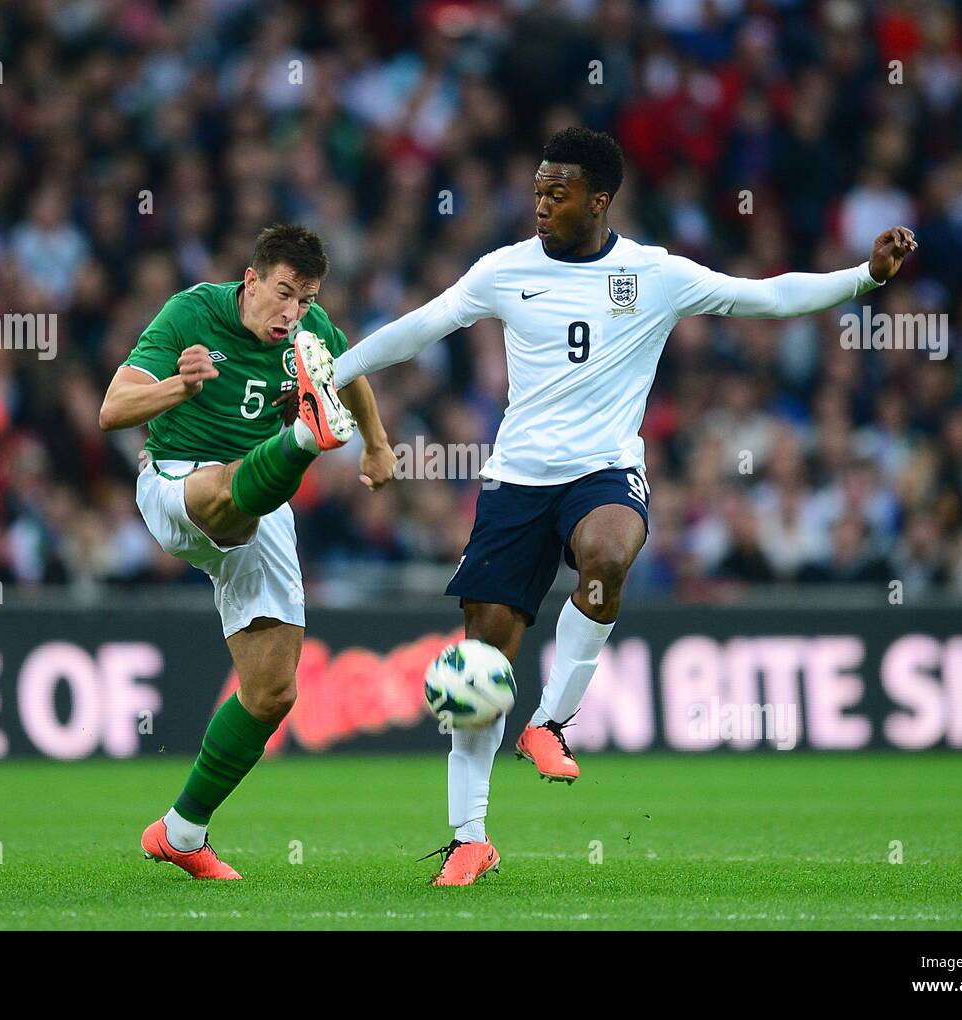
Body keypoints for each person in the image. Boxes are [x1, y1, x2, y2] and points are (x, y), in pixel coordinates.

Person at [333, 127, 917, 886]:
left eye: (557, 192)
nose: (540, 204)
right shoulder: (504, 270)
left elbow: (766, 298)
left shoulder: (655, 274)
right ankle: (470, 838)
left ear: (599, 200)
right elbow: (417, 330)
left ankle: (548, 722)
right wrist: (330, 376)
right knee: (480, 665)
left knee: (609, 552)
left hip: (604, 469)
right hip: (515, 482)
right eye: (537, 190)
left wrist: (863, 279)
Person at [100, 224, 396, 880]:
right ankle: (303, 439)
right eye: (283, 294)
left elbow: (351, 376)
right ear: (252, 280)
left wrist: (375, 443)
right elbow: (112, 408)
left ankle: (180, 832)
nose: (291, 313)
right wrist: (178, 387)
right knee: (230, 496)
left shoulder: (312, 331)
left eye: (306, 299)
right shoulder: (191, 312)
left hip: (258, 501)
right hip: (179, 480)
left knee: (272, 693)